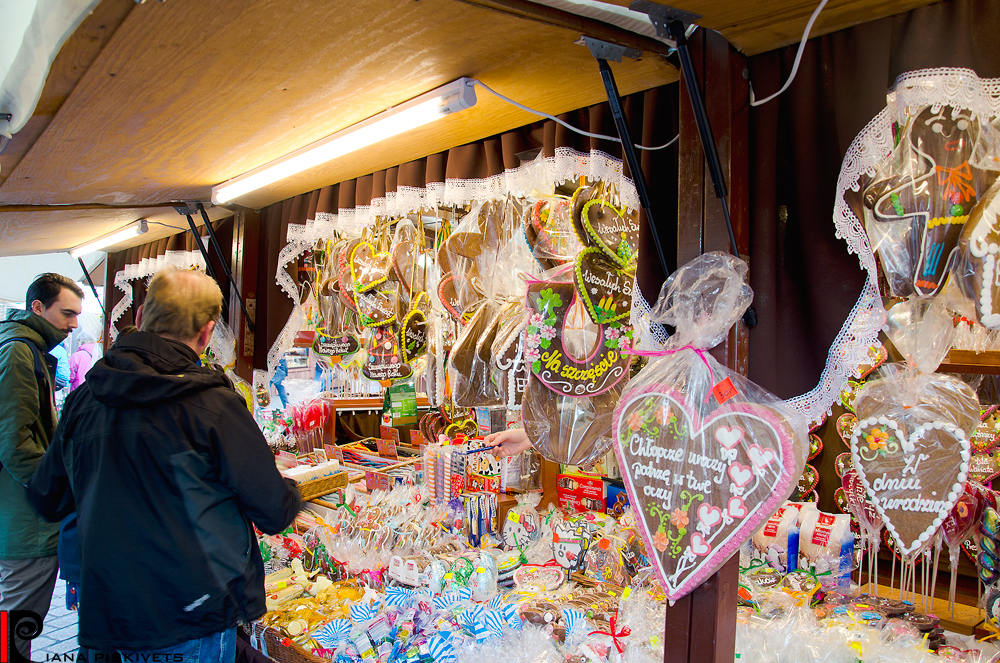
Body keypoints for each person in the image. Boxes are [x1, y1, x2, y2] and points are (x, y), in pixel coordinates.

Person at [27, 267, 301, 663]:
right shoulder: (214, 405)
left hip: (106, 611)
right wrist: (294, 490)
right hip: (192, 612)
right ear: (207, 333)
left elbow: (47, 497)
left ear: (139, 318)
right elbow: (274, 511)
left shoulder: (85, 399)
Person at [0, 273, 82, 660]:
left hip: (21, 513)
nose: (74, 325)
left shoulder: (25, 346)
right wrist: (51, 494)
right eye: (67, 313)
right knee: (16, 617)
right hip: (24, 519)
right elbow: (13, 440)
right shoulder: (18, 351)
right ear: (37, 307)